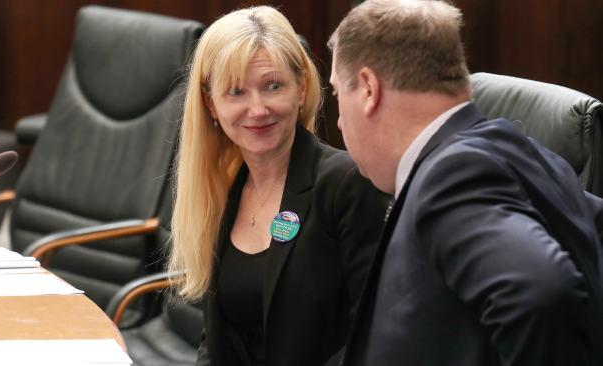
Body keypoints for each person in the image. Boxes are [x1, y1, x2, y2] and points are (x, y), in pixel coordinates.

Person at [327, 0, 603, 365]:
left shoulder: (452, 174)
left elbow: (541, 292)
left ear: (367, 89)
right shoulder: (525, 150)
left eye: (336, 94)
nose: (340, 124)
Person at [168, 6, 388, 366]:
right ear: (211, 103)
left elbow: (375, 336)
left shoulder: (347, 185)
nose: (257, 110)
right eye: (236, 92)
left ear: (301, 87)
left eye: (272, 86)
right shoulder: (221, 188)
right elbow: (218, 338)